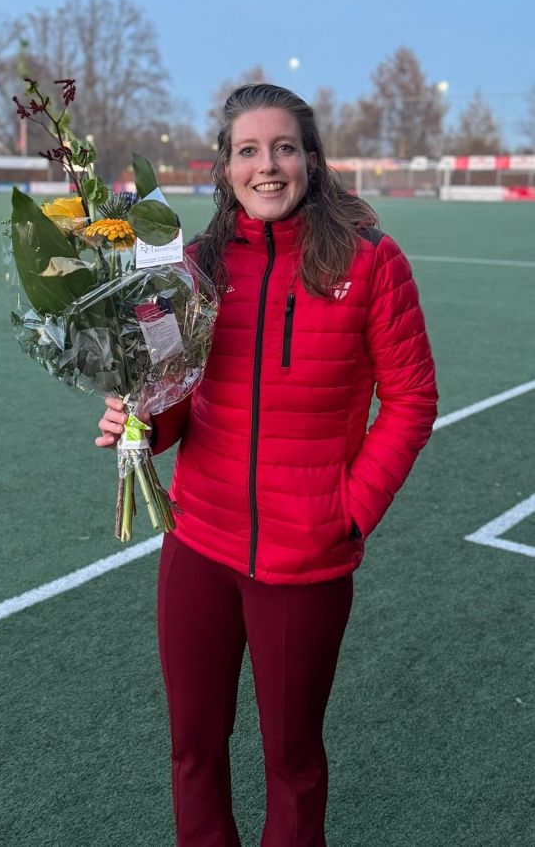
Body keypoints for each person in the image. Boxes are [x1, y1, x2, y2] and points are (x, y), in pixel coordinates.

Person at [96, 84, 438, 847]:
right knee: (193, 749)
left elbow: (413, 398)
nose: (268, 166)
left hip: (304, 560)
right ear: (225, 168)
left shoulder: (373, 262)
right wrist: (138, 426)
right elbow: (171, 398)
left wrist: (346, 512)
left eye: (283, 147)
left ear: (312, 160)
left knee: (291, 761)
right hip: (198, 545)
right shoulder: (194, 269)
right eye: (247, 150)